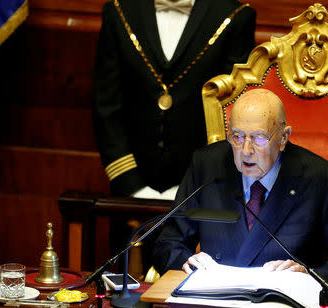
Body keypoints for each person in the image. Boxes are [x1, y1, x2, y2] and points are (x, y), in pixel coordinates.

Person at [153, 89, 328, 289]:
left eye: (259, 139)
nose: (246, 150)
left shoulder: (321, 180)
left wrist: (310, 276)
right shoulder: (207, 165)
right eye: (237, 136)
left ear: (283, 138)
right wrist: (186, 263)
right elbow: (169, 243)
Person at [93, 0, 256, 197]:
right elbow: (106, 106)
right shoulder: (119, 11)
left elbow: (233, 112)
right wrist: (131, 185)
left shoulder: (235, 15)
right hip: (128, 191)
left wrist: (196, 186)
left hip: (202, 193)